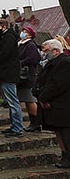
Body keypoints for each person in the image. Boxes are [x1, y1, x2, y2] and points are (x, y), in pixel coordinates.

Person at [35, 39, 70, 169]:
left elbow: (58, 84)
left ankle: (68, 157)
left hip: (63, 104)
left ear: (55, 51)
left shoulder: (64, 63)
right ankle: (65, 155)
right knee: (59, 132)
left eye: (46, 51)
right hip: (54, 103)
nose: (43, 54)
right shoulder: (53, 63)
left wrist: (44, 97)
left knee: (65, 132)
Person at [0, 18, 23, 137]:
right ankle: (14, 125)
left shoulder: (8, 38)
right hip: (6, 73)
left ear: (4, 27)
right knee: (11, 102)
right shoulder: (6, 38)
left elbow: (4, 55)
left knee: (13, 101)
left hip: (8, 73)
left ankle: (17, 127)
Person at [18, 26, 41, 132]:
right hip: (22, 76)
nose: (22, 33)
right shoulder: (21, 45)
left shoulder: (30, 45)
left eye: (25, 31)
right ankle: (33, 122)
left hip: (28, 75)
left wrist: (21, 62)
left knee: (30, 100)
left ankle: (37, 122)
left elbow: (32, 58)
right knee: (27, 101)